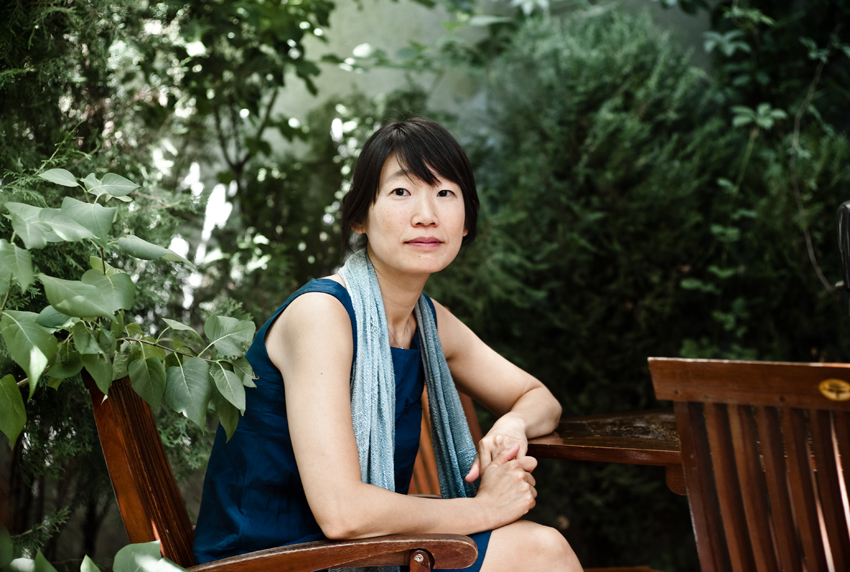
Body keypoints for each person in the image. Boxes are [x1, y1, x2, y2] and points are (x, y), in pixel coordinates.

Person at [193, 118, 583, 572]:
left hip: (355, 551)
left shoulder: (428, 322)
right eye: (401, 191)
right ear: (359, 217)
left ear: (466, 222)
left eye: (445, 193)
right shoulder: (322, 315)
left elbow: (540, 399)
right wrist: (485, 508)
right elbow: (342, 513)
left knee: (540, 549)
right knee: (542, 551)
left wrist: (512, 424)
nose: (426, 214)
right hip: (270, 561)